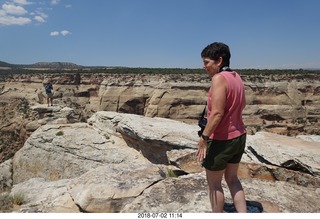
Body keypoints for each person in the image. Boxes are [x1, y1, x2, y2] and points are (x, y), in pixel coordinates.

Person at [196, 42, 247, 213]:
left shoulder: (218, 79)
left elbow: (217, 113)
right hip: (239, 136)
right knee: (232, 179)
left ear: (219, 60)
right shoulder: (236, 77)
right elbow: (242, 104)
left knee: (214, 184)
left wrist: (204, 138)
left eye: (206, 62)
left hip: (222, 140)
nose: (204, 66)